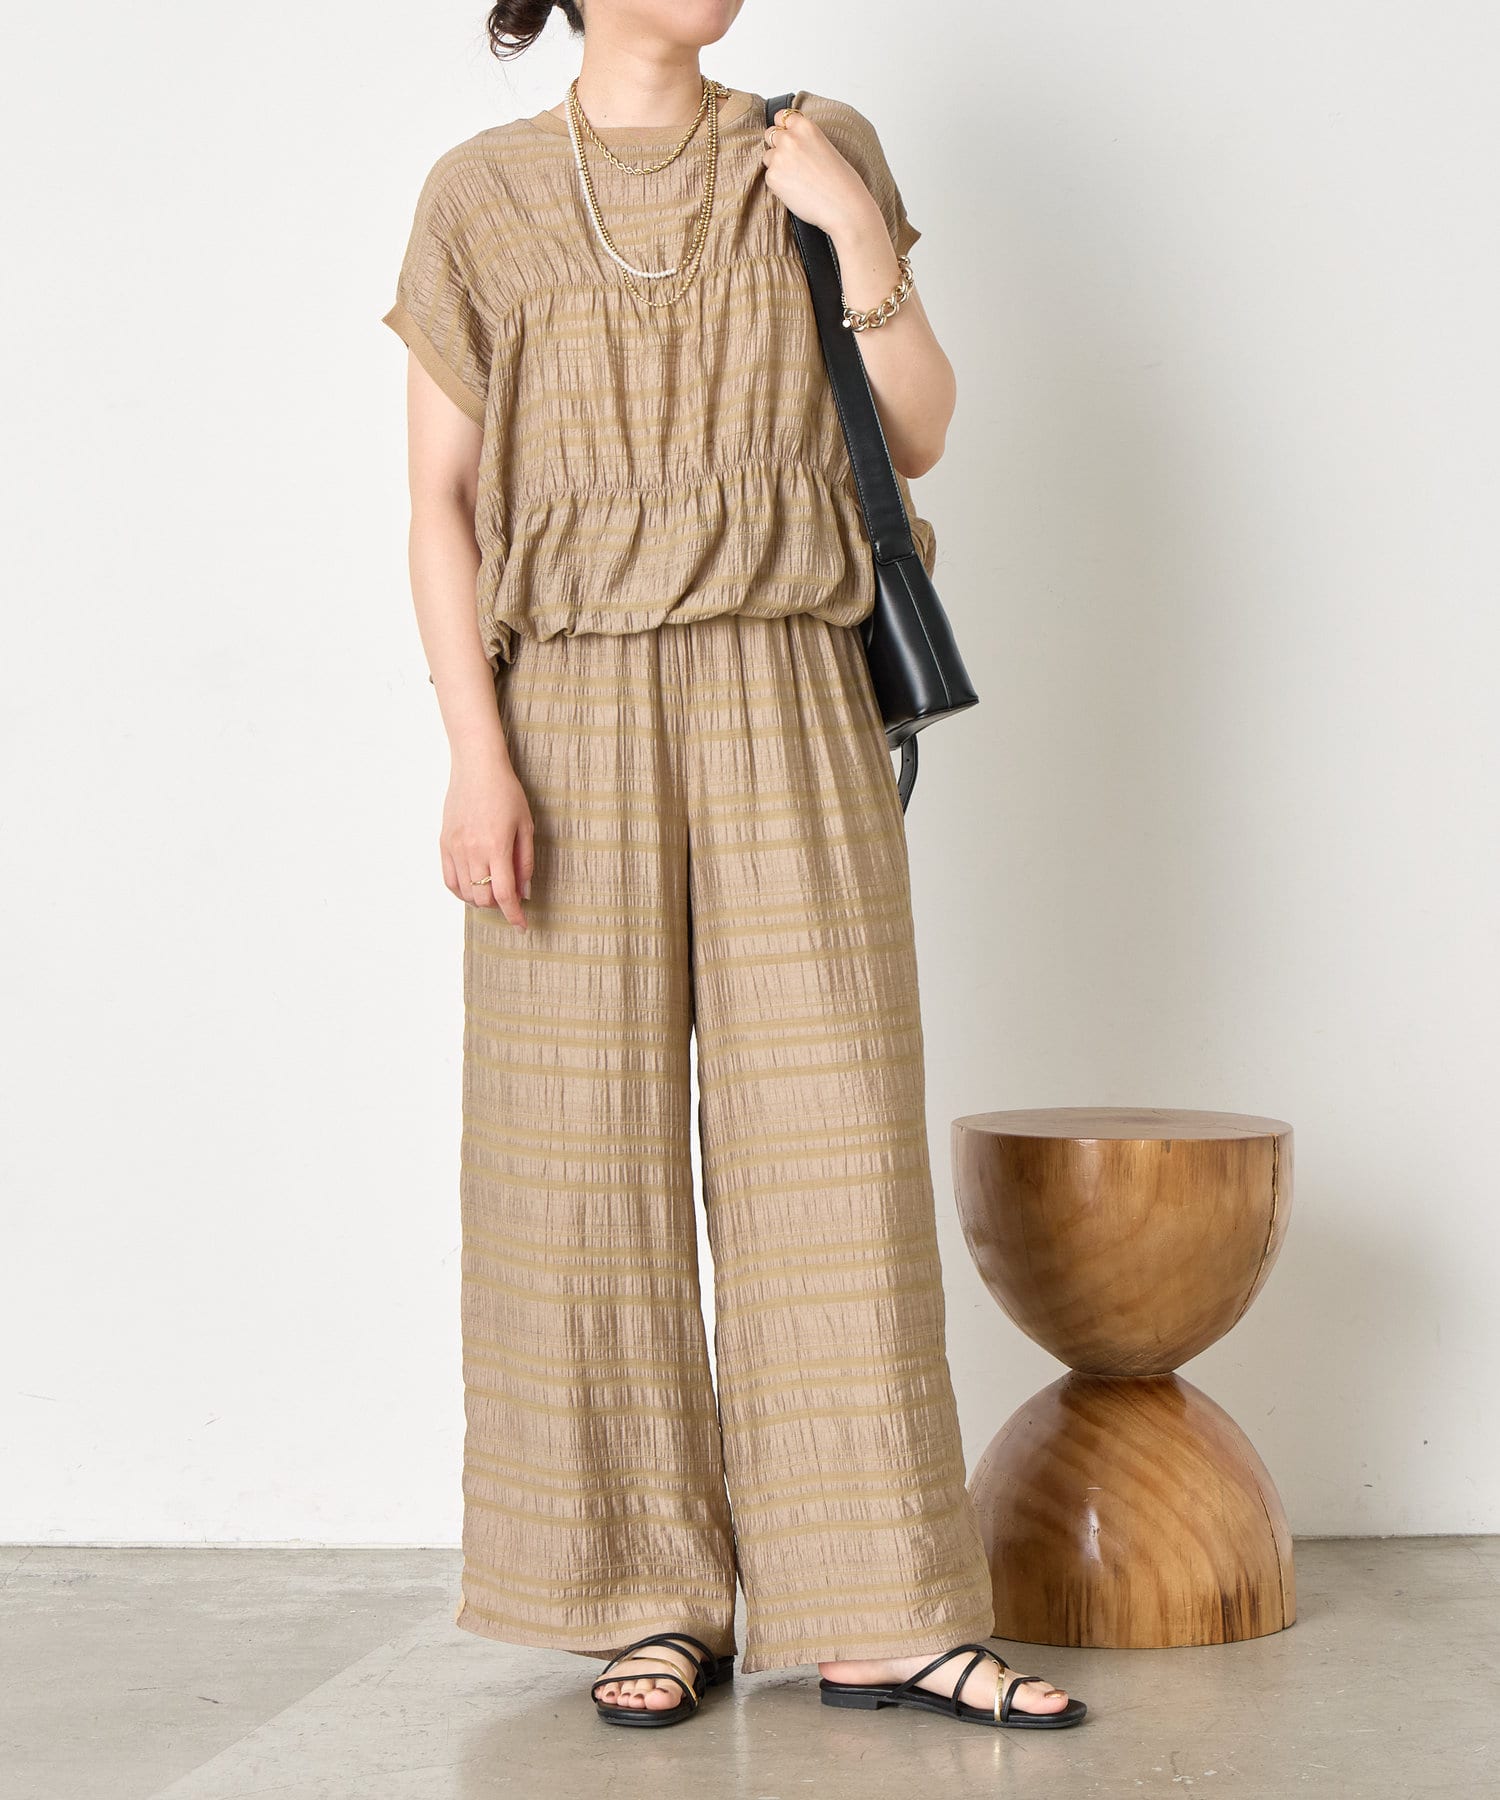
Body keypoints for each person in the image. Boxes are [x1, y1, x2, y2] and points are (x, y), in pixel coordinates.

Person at [381, 0, 1086, 1733]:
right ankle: (646, 1594)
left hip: (790, 678)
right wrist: (475, 754)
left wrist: (857, 237)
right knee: (576, 1163)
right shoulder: (480, 194)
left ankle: (881, 1610)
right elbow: (438, 505)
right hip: (565, 712)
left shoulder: (814, 141)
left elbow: (917, 430)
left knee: (831, 1140)